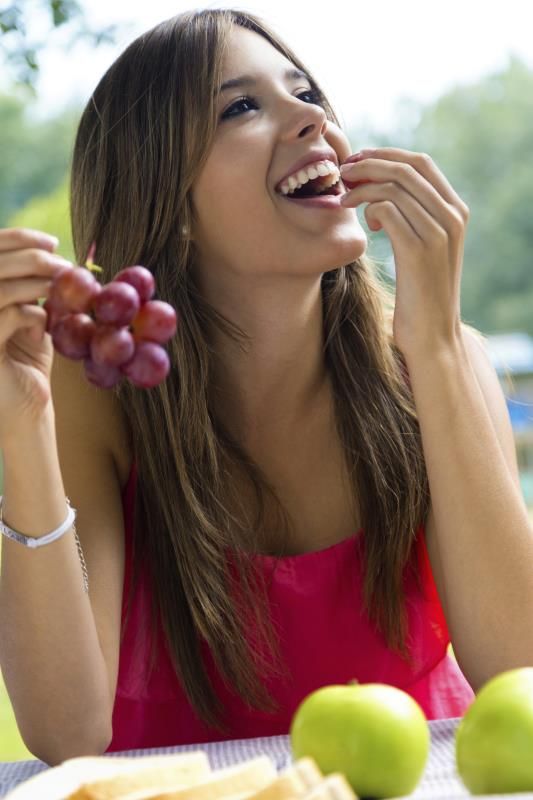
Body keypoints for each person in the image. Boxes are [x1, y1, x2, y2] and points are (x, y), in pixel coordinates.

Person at [0, 8, 532, 767]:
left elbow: (518, 668)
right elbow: (65, 734)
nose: (311, 117)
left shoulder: (436, 360)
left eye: (307, 91)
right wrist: (21, 422)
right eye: (241, 106)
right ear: (167, 202)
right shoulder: (98, 396)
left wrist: (438, 346)